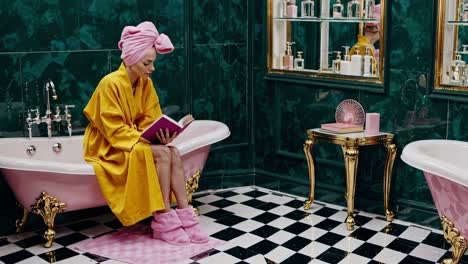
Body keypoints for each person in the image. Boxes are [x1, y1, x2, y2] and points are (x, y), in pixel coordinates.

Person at [82, 21, 209, 246]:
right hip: (109, 146)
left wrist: (162, 135)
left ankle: (186, 215)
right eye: (147, 63)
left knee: (172, 151)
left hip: (132, 138)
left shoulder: (144, 83)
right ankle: (163, 218)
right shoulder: (109, 84)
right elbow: (114, 130)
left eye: (153, 63)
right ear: (131, 60)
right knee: (161, 154)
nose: (152, 68)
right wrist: (143, 139)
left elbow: (151, 119)